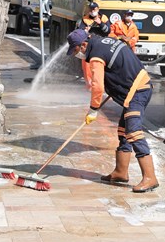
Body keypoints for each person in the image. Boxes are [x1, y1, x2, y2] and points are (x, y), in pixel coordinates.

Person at [66, 29, 159, 193]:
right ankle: (120, 172)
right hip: (139, 84)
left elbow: (98, 86)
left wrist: (93, 109)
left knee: (133, 131)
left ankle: (150, 177)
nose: (76, 54)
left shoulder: (95, 55)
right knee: (123, 131)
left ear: (84, 44)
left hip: (137, 90)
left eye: (75, 50)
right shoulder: (104, 42)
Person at [78, 2, 109, 87]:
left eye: (94, 9)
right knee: (87, 67)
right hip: (88, 45)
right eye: (91, 9)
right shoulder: (85, 19)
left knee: (100, 66)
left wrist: (100, 24)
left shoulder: (104, 18)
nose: (92, 11)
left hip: (101, 45)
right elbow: (80, 32)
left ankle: (101, 84)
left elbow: (107, 31)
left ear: (98, 9)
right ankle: (90, 86)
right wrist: (86, 31)